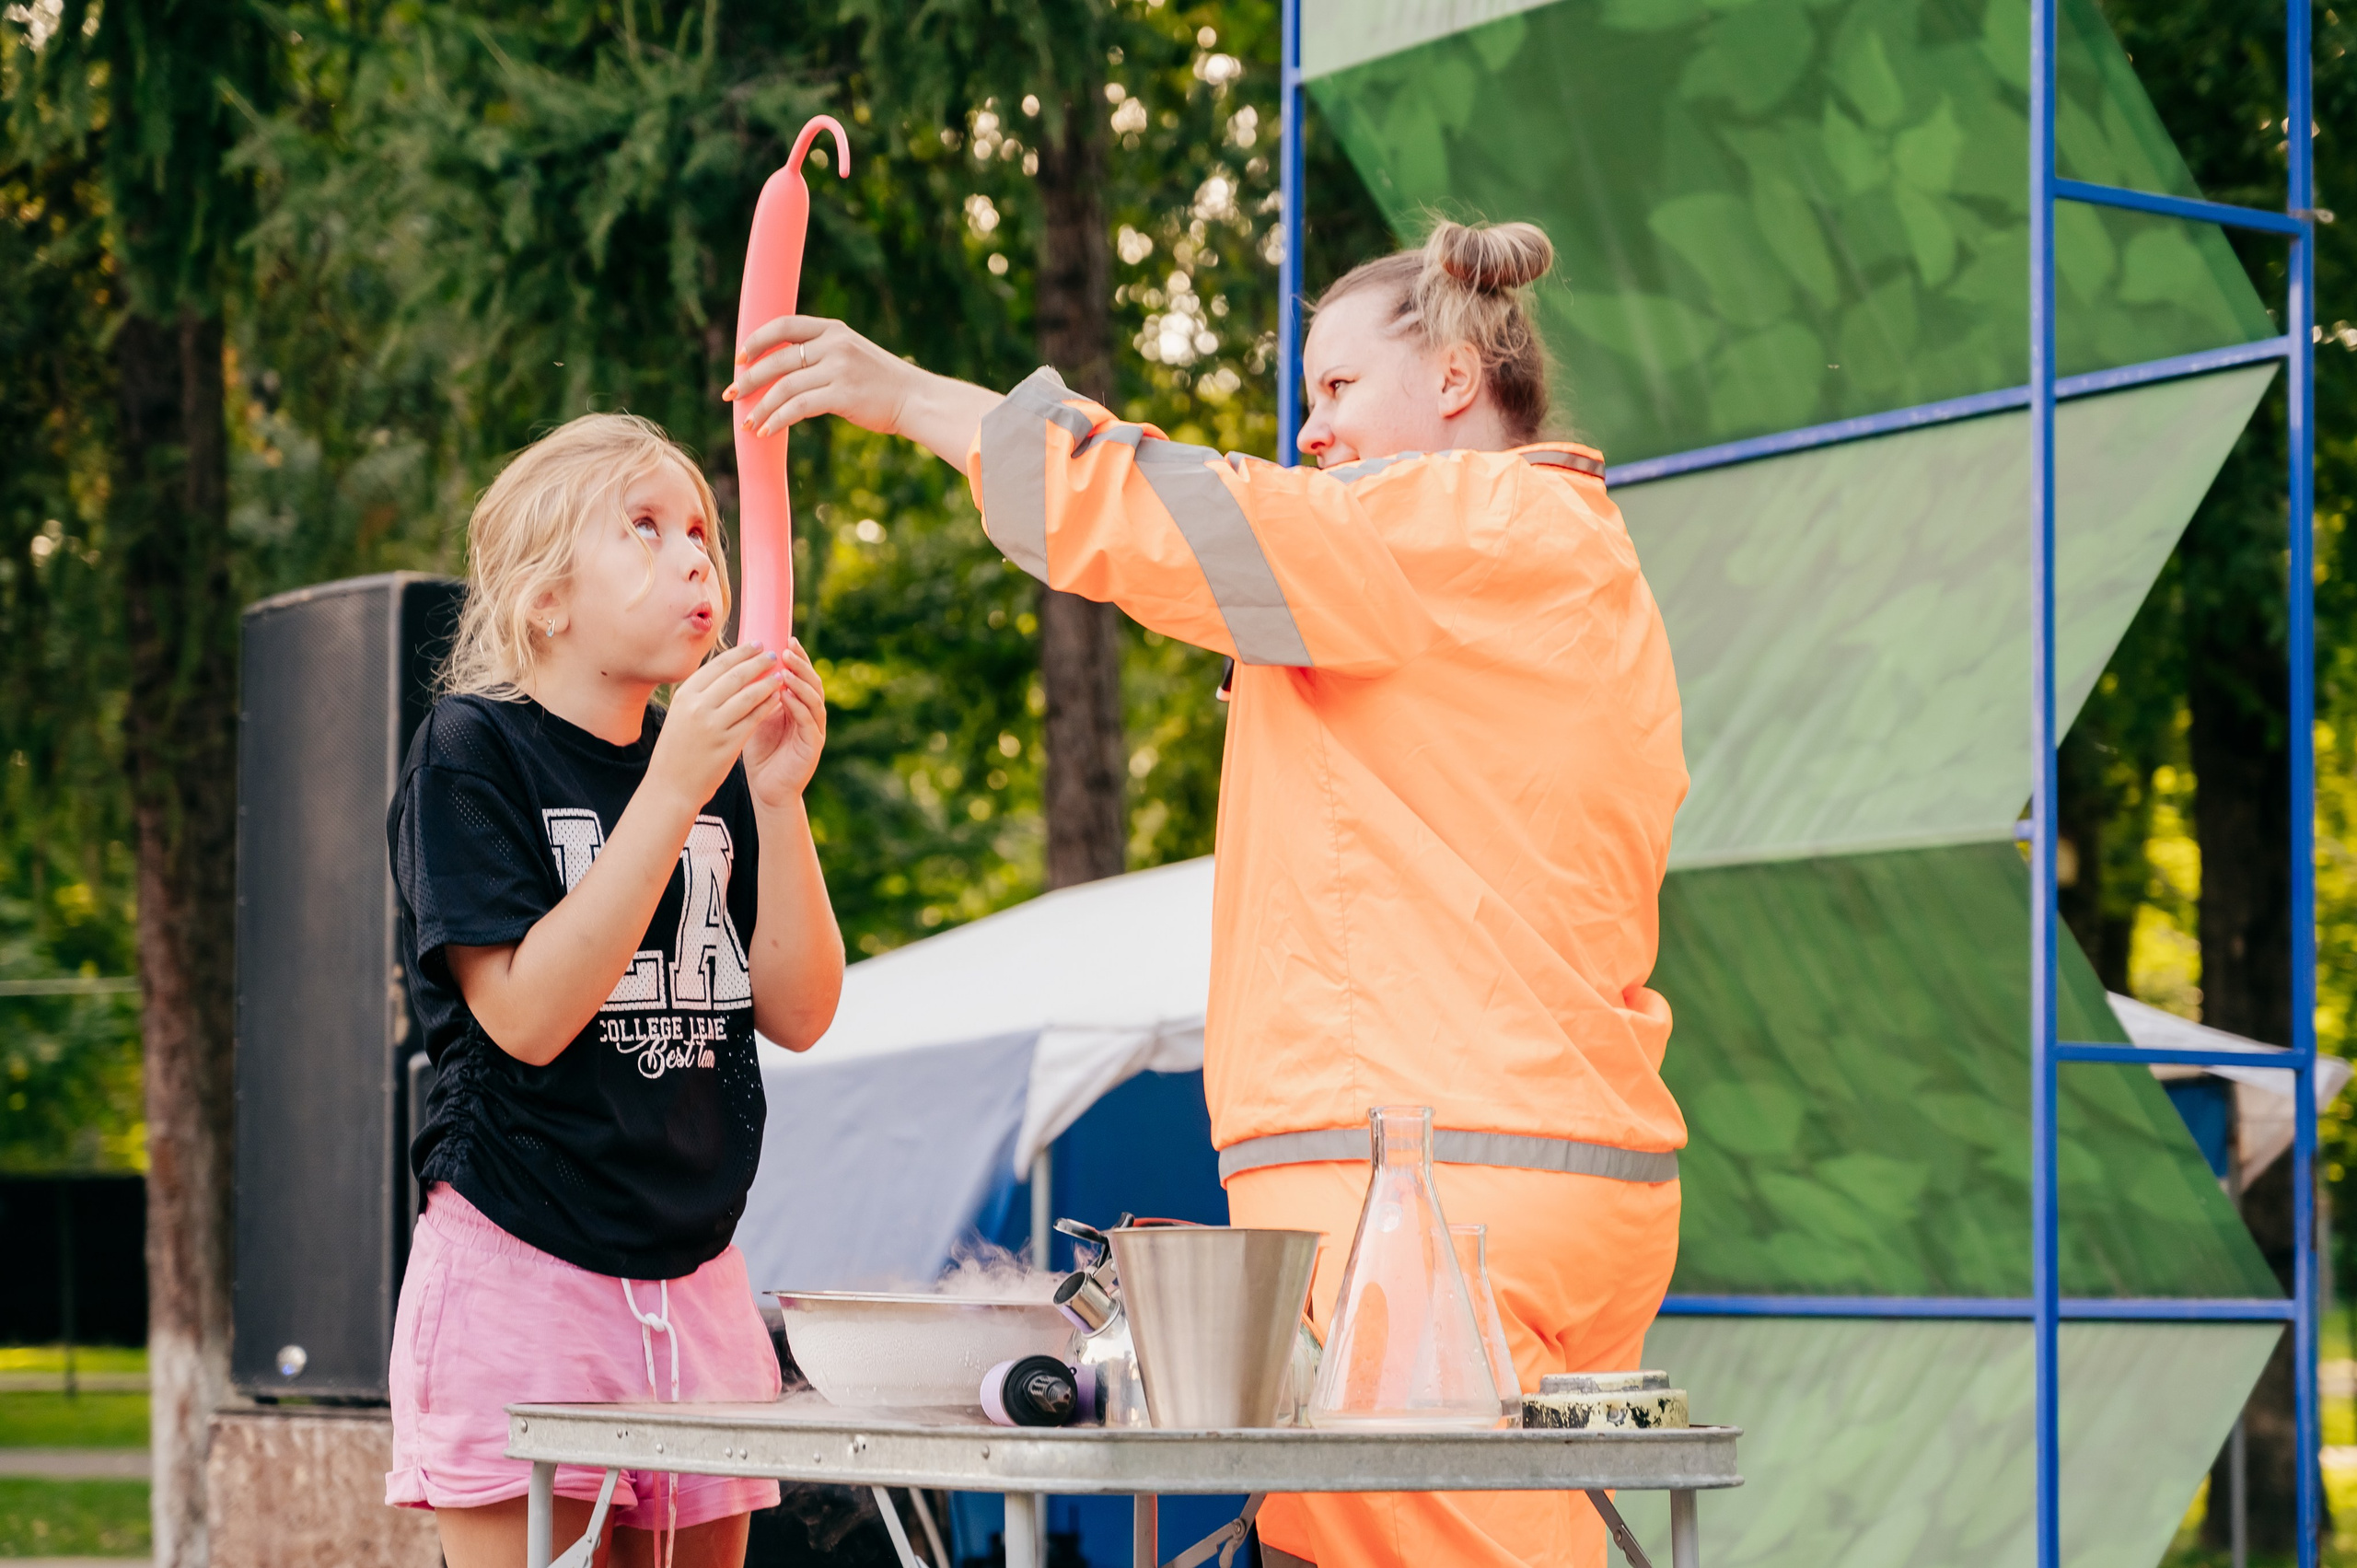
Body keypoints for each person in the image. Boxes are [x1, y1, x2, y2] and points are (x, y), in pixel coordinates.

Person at [729, 219, 1686, 1568]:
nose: (1313, 432)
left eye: (1339, 389)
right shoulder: (1575, 564)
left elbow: (1174, 513)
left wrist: (909, 400)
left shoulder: (1442, 530)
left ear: (1461, 374)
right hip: (1551, 1176)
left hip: (1425, 1189)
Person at [384, 412, 845, 1568]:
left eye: (701, 529)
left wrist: (775, 798)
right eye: (645, 528)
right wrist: (679, 784)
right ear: (547, 600)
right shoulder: (471, 749)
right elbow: (529, 1016)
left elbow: (799, 1008)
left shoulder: (707, 764)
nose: (696, 555)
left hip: (694, 1272)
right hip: (520, 1262)